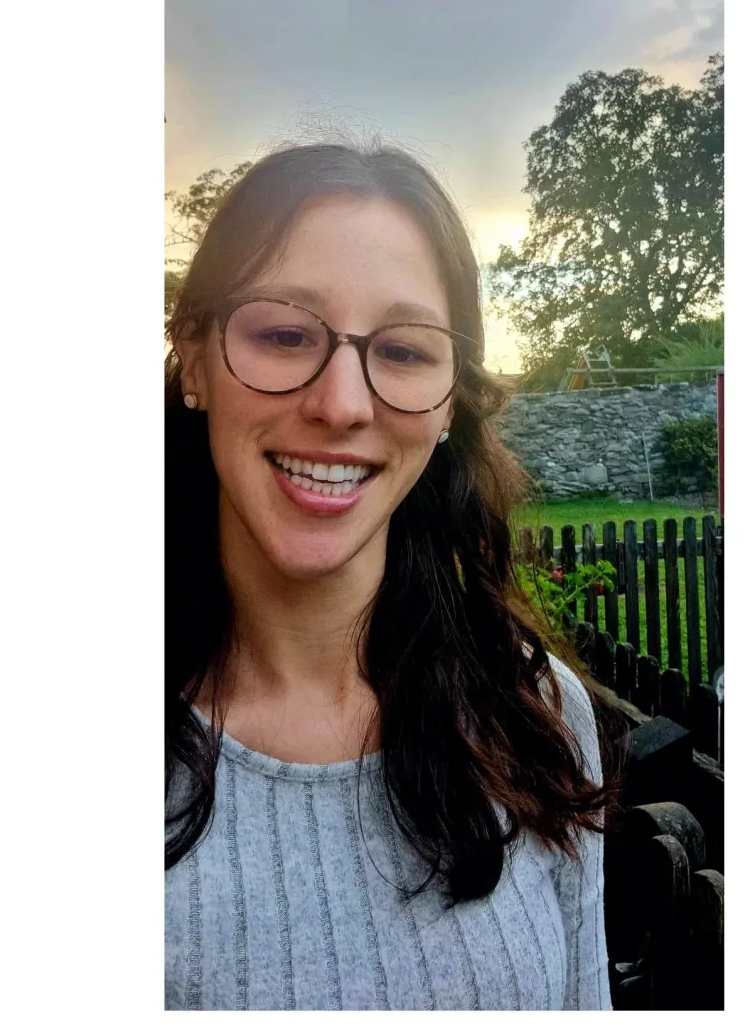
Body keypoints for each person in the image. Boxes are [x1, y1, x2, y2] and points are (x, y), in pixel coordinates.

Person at [165, 143, 614, 1010]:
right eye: (285, 335)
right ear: (194, 357)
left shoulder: (534, 719)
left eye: (404, 351)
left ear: (448, 402)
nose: (342, 404)